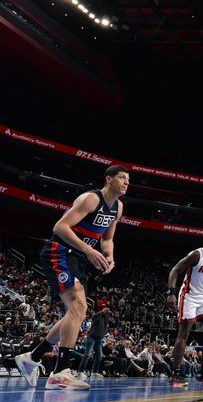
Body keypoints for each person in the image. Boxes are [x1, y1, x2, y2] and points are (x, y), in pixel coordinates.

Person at [15, 165, 128, 390]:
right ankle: (59, 372)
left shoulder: (118, 207)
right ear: (108, 179)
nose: (126, 182)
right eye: (122, 177)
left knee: (77, 311)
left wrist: (109, 256)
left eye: (128, 179)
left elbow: (107, 239)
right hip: (59, 251)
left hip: (77, 258)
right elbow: (60, 227)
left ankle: (32, 358)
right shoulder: (91, 199)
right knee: (78, 307)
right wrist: (89, 250)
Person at [166, 230, 203, 386]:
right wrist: (171, 293)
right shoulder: (196, 255)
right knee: (184, 332)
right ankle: (175, 373)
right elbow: (175, 270)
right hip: (189, 296)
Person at [78, 307, 110, 378]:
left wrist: (103, 335)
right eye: (106, 312)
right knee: (87, 355)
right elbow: (93, 317)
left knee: (99, 356)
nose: (107, 313)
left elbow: (106, 328)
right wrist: (101, 311)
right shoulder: (98, 316)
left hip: (99, 339)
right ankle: (80, 371)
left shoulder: (106, 319)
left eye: (107, 313)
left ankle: (94, 372)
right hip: (92, 337)